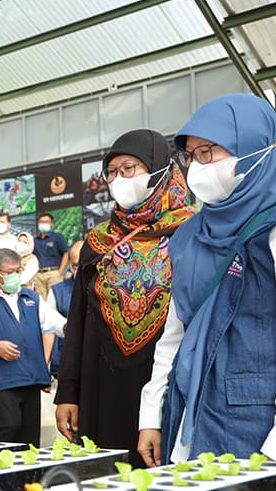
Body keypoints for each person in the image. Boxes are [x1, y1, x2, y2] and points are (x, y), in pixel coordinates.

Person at [137, 95, 276, 487]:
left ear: (254, 147)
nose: (196, 168)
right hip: (193, 423)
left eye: (208, 151)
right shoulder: (192, 234)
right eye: (190, 156)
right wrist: (152, 414)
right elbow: (175, 332)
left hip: (264, 432)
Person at [54, 129, 193, 464]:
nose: (119, 179)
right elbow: (78, 321)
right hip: (101, 389)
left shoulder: (192, 232)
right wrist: (68, 392)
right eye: (112, 172)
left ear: (159, 169)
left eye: (129, 168)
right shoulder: (98, 241)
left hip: (167, 383)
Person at [0, 249, 66, 444]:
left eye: (18, 271)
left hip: (31, 378)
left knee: (30, 436)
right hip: (1, 379)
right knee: (9, 426)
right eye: (9, 272)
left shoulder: (30, 298)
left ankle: (29, 474)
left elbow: (56, 324)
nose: (15, 276)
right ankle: (0, 468)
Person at [48, 240, 83, 378]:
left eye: (83, 264)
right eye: (75, 265)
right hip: (66, 363)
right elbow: (49, 329)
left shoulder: (106, 289)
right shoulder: (57, 291)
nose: (79, 269)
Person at [32, 212, 70, 299]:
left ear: (51, 224)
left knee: (56, 300)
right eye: (41, 222)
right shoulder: (35, 240)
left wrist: (60, 272)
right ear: (38, 224)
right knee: (42, 302)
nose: (43, 223)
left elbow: (66, 253)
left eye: (46, 221)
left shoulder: (58, 237)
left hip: (53, 273)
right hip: (39, 275)